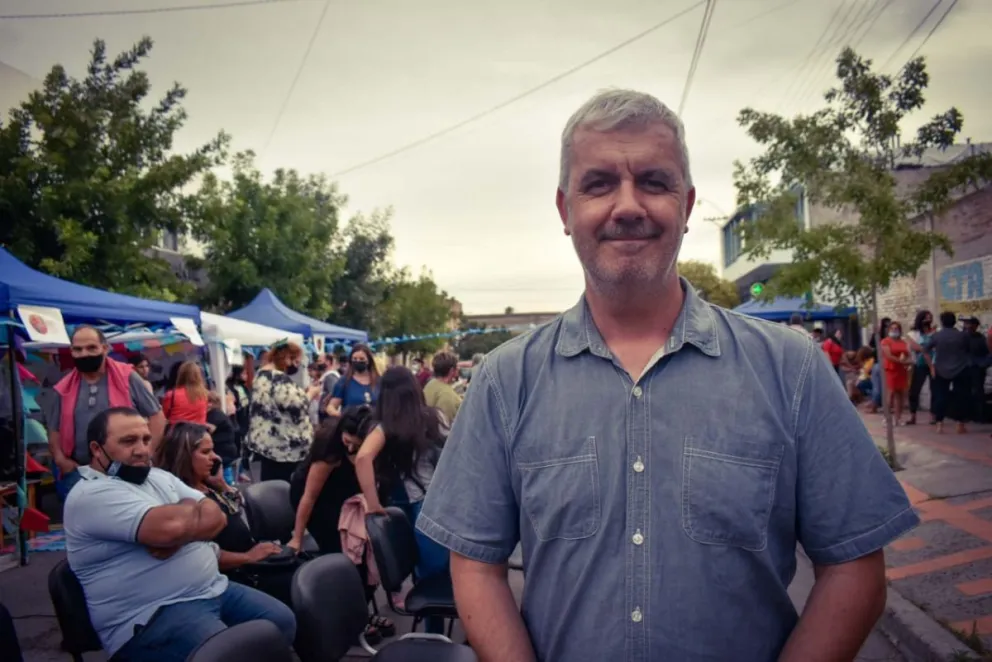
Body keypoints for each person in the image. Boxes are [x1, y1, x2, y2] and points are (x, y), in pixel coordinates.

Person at [415, 89, 919, 662]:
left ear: (687, 205)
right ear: (564, 210)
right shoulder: (506, 382)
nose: (628, 206)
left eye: (654, 182)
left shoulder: (791, 368)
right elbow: (476, 565)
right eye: (599, 184)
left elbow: (855, 567)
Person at [64, 408, 295, 661]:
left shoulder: (156, 476)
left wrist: (181, 528)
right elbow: (171, 529)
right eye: (128, 441)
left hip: (212, 588)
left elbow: (216, 515)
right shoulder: (91, 494)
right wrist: (188, 514)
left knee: (282, 621)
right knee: (231, 654)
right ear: (97, 449)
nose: (142, 450)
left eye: (146, 439)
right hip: (153, 615)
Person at [154, 422, 295, 605]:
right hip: (234, 575)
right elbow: (199, 555)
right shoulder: (181, 501)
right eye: (206, 452)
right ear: (184, 456)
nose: (215, 457)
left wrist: (222, 485)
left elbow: (238, 510)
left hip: (252, 562)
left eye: (213, 450)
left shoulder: (208, 485)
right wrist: (249, 557)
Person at [288, 409, 394, 642]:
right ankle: (347, 622)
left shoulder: (371, 448)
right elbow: (309, 497)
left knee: (371, 556)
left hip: (347, 499)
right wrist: (297, 537)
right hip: (318, 502)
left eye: (357, 444)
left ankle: (357, 614)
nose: (351, 448)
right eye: (347, 441)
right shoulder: (330, 451)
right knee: (346, 557)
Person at [356, 366, 449, 633]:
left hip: (401, 504)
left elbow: (362, 458)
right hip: (435, 505)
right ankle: (436, 635)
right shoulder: (434, 418)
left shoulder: (384, 426)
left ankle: (431, 635)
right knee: (438, 576)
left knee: (422, 575)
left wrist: (372, 503)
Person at [46, 326, 165, 494]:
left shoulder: (127, 377)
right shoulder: (64, 387)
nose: (84, 354)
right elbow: (54, 430)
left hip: (125, 470)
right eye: (78, 349)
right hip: (79, 472)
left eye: (91, 348)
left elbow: (157, 416)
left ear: (105, 348)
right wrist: (61, 461)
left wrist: (147, 452)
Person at [247, 340, 313, 482]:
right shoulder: (279, 379)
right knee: (284, 489)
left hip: (266, 444)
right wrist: (311, 394)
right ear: (287, 357)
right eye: (296, 361)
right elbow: (297, 406)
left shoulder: (260, 375)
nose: (296, 366)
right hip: (284, 448)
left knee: (269, 487)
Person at [928, 311, 973, 434]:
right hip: (960, 368)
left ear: (942, 322)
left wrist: (931, 366)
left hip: (941, 369)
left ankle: (939, 424)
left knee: (941, 396)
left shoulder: (936, 336)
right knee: (961, 396)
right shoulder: (962, 335)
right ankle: (960, 424)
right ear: (954, 321)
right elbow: (968, 350)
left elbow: (925, 349)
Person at [327, 344, 380, 416]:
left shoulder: (379, 381)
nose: (358, 361)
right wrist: (340, 415)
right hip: (351, 422)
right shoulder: (344, 382)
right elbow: (331, 407)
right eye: (354, 359)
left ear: (368, 360)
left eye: (362, 359)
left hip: (374, 421)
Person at [880, 321, 912, 426]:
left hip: (902, 370)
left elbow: (907, 354)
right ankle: (887, 418)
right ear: (888, 330)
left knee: (900, 394)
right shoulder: (885, 341)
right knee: (890, 393)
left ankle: (898, 418)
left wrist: (906, 360)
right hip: (891, 369)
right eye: (892, 328)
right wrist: (901, 361)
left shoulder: (903, 342)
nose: (894, 330)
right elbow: (888, 355)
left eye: (896, 328)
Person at [162, 360, 209, 425]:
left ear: (180, 375)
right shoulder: (204, 394)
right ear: (198, 376)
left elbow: (165, 415)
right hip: (199, 430)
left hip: (177, 430)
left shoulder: (171, 395)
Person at [422, 351, 463, 423]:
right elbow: (445, 425)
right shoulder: (449, 396)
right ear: (451, 371)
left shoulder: (430, 384)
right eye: (456, 367)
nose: (458, 369)